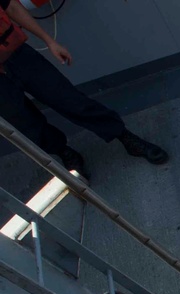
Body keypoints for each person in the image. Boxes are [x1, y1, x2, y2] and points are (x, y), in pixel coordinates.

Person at [0, 0, 168, 179]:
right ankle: (64, 152)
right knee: (26, 123)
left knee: (69, 99)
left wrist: (49, 41)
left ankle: (124, 136)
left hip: (17, 55)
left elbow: (11, 6)